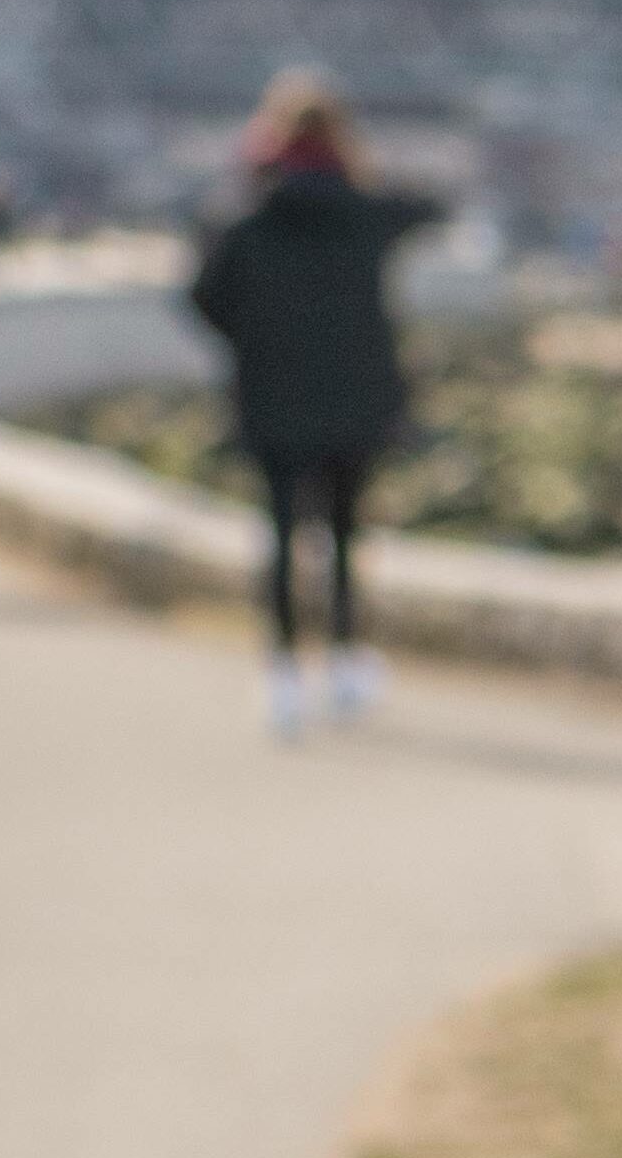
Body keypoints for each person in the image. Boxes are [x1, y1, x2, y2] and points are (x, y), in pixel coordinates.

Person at [185, 68, 441, 736]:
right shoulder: (365, 215)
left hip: (272, 394)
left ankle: (283, 675)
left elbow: (203, 298)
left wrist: (256, 335)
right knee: (346, 532)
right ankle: (348, 659)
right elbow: (430, 208)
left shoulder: (245, 221)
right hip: (355, 397)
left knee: (279, 532)